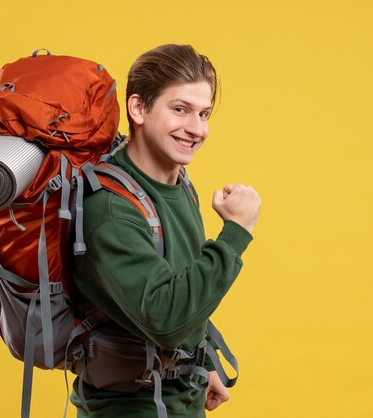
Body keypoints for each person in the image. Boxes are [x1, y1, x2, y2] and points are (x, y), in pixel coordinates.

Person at [70, 44, 261, 417]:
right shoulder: (110, 209)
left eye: (204, 113)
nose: (197, 129)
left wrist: (201, 361)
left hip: (180, 398)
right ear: (138, 108)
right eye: (180, 109)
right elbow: (166, 318)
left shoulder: (177, 183)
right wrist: (236, 232)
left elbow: (180, 281)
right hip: (129, 409)